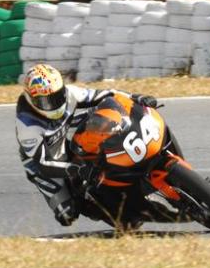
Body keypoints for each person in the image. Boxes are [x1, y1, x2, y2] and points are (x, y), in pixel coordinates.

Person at [15, 64, 158, 226]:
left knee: (102, 121)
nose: (54, 103)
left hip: (67, 132)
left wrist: (136, 98)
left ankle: (125, 168)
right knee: (67, 214)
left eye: (57, 96)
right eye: (46, 101)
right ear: (31, 99)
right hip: (45, 161)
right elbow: (43, 165)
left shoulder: (70, 94)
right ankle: (103, 209)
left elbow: (106, 94)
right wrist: (78, 170)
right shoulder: (27, 127)